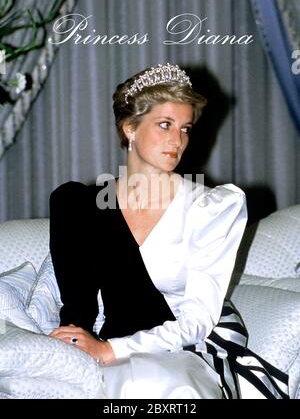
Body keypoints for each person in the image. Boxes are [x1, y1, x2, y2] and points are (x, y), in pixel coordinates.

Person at [49, 63, 288, 399]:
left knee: (161, 388)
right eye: (165, 125)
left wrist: (111, 350)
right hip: (113, 341)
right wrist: (79, 346)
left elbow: (198, 321)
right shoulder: (79, 204)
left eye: (186, 128)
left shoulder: (213, 207)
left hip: (190, 344)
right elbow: (77, 303)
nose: (178, 140)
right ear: (130, 128)